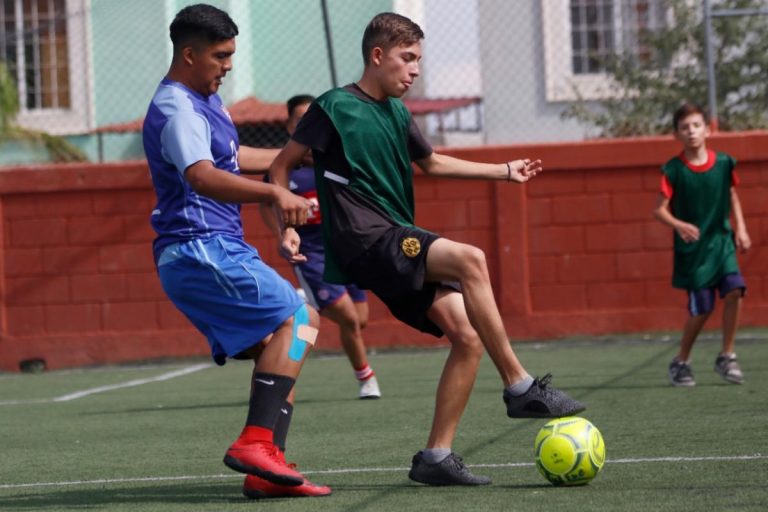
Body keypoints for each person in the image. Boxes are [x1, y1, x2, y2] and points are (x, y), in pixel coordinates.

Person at [269, 12, 585, 487]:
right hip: (365, 238)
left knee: (467, 336)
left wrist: (503, 170)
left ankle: (436, 457)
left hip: (393, 239)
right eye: (407, 58)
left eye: (418, 59)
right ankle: (519, 385)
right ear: (378, 56)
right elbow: (279, 167)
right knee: (471, 258)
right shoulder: (334, 107)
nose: (415, 69)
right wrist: (285, 226)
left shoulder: (397, 113)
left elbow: (432, 163)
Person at [142, 4, 330, 499]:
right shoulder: (176, 107)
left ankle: (264, 470)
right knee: (302, 318)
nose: (227, 66)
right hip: (199, 249)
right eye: (220, 56)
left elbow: (233, 157)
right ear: (189, 54)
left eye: (230, 55)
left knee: (283, 351)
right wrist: (274, 192)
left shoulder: (209, 102)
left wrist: (301, 156)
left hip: (216, 250)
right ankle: (255, 444)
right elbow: (201, 175)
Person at [259, 94, 381, 400]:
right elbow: (265, 201)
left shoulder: (336, 160)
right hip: (311, 255)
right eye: (299, 119)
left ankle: (307, 300)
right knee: (349, 320)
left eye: (312, 118)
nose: (306, 124)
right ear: (289, 125)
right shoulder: (284, 168)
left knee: (360, 319)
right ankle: (366, 378)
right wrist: (281, 232)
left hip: (347, 249)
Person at [653, 102, 751, 387]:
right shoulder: (673, 170)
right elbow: (659, 210)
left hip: (722, 243)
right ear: (676, 135)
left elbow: (731, 194)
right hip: (694, 253)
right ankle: (681, 360)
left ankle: (727, 355)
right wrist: (680, 225)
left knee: (735, 290)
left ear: (708, 130)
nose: (691, 131)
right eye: (685, 127)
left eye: (696, 125)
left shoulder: (723, 163)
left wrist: (741, 228)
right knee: (703, 307)